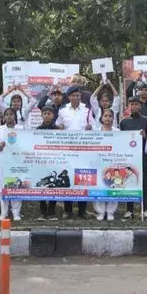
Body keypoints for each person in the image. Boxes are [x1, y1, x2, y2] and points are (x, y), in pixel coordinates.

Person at [56, 86, 93, 219]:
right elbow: (58, 125)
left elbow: (94, 127)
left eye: (78, 95)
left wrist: (91, 127)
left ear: (80, 97)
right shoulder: (63, 110)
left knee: (82, 179)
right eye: (73, 95)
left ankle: (82, 210)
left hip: (83, 150)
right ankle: (68, 210)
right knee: (68, 179)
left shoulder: (87, 110)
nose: (75, 98)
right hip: (68, 151)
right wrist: (59, 127)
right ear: (69, 97)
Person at [120, 96, 147, 218]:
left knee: (144, 181)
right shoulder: (124, 122)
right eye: (131, 104)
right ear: (129, 106)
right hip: (129, 156)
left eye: (136, 104)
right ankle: (129, 210)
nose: (134, 106)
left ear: (140, 106)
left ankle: (145, 209)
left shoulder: (146, 120)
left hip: (142, 155)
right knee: (130, 180)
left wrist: (145, 136)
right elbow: (120, 139)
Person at [0, 108, 23, 221]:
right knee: (2, 185)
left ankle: (16, 212)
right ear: (4, 117)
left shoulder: (21, 129)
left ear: (15, 116)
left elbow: (25, 143)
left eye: (11, 114)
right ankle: (4, 212)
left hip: (16, 160)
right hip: (2, 160)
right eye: (7, 114)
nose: (9, 116)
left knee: (15, 184)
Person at [93, 109, 120, 221]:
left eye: (110, 116)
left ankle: (110, 212)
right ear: (101, 118)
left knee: (113, 185)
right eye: (105, 116)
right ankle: (100, 211)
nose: (108, 118)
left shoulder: (118, 132)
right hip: (99, 162)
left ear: (113, 118)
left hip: (113, 161)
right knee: (100, 186)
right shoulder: (96, 132)